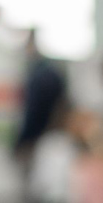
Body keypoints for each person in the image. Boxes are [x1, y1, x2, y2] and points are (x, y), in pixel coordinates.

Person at [13, 30, 68, 174]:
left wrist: (22, 140)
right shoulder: (54, 72)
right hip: (53, 134)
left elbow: (33, 111)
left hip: (38, 138)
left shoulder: (39, 76)